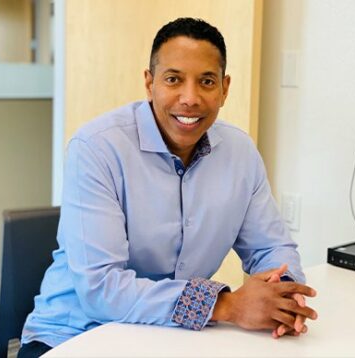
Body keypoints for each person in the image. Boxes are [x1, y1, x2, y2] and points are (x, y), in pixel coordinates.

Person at [18, 18, 317, 358]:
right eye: (173, 79)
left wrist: (282, 295)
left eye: (206, 81)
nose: (189, 99)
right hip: (73, 336)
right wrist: (225, 305)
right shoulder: (97, 148)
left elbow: (271, 246)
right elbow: (101, 290)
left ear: (225, 88)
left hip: (175, 338)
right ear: (149, 83)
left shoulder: (240, 153)